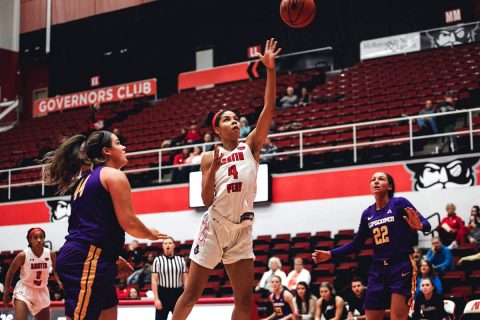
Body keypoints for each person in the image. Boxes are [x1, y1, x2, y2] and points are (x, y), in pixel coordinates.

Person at [172, 38, 281, 320]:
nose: (235, 121)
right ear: (218, 130)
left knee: (244, 300)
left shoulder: (251, 145)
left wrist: (270, 69)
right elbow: (206, 199)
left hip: (241, 228)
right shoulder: (210, 156)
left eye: (237, 118)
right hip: (215, 226)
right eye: (228, 119)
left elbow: (268, 107)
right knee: (191, 293)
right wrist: (213, 171)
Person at [42, 130, 167, 319]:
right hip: (86, 260)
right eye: (118, 143)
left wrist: (111, 255)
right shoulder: (113, 176)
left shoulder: (84, 180)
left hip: (93, 256)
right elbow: (129, 222)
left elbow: (90, 224)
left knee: (109, 314)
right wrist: (150, 234)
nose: (124, 147)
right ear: (106, 150)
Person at [312, 172, 431, 320]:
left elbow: (427, 224)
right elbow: (356, 244)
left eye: (381, 179)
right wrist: (331, 254)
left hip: (401, 265)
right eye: (373, 179)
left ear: (390, 186)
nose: (376, 181)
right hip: (378, 269)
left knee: (398, 317)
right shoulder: (367, 213)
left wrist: (420, 226)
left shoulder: (399, 203)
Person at [2, 228, 62, 320]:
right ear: (30, 240)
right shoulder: (23, 255)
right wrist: (6, 294)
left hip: (41, 291)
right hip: (24, 290)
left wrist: (58, 280)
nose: (39, 240)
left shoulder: (51, 254)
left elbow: (56, 270)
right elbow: (10, 272)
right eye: (35, 238)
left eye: (41, 237)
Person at [152, 237, 188, 320]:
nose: (168, 245)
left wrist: (186, 296)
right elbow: (154, 280)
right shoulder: (158, 260)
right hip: (163, 293)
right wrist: (156, 299)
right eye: (165, 243)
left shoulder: (181, 260)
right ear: (162, 246)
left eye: (170, 243)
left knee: (180, 318)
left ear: (174, 245)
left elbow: (185, 279)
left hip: (177, 293)